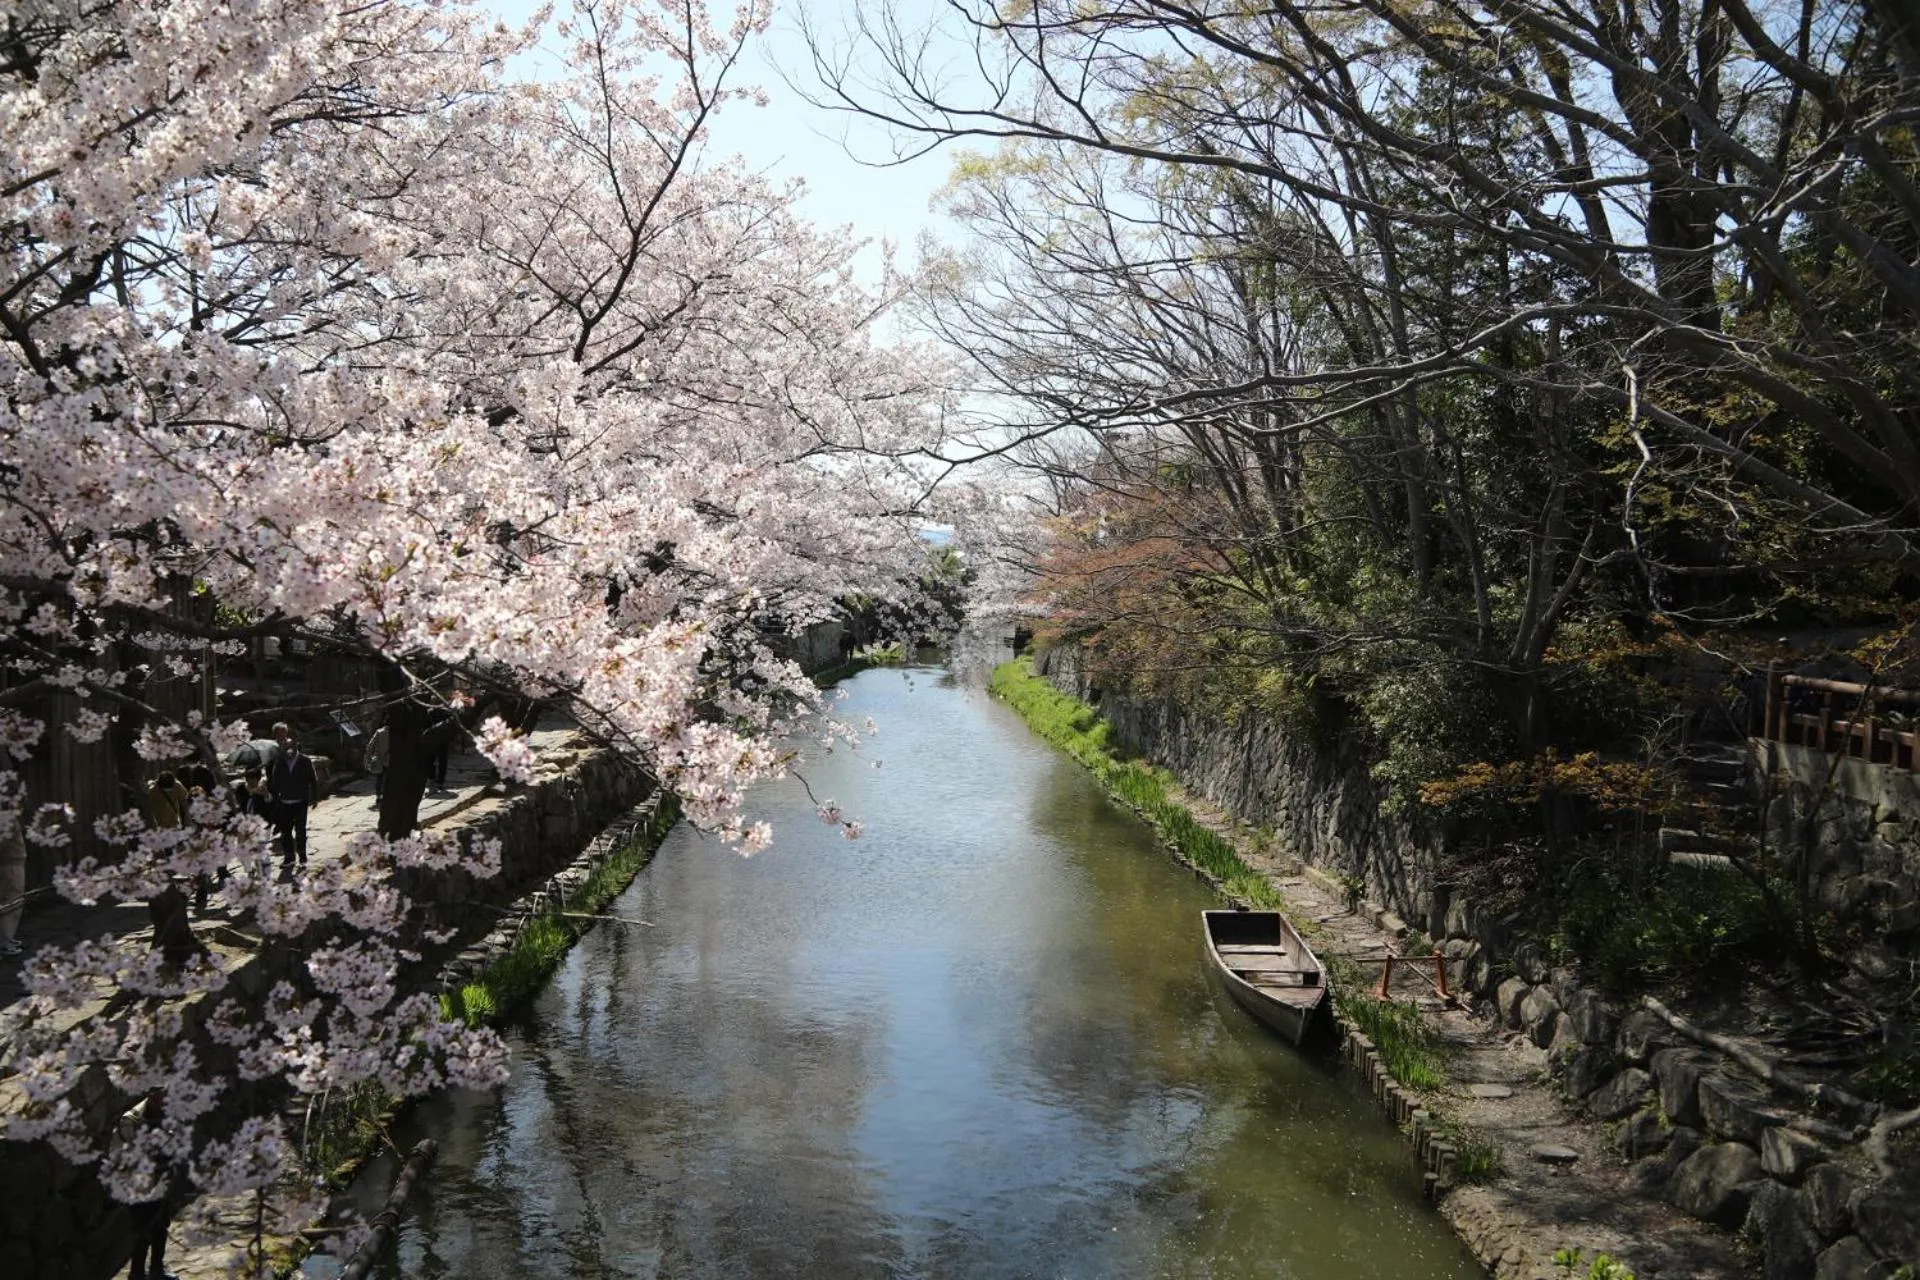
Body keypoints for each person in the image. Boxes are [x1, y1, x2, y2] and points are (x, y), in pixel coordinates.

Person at [267, 735, 319, 873]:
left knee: (300, 830)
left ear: (297, 746)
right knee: (286, 832)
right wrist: (275, 797)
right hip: (284, 802)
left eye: (292, 746)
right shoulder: (280, 761)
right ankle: (289, 857)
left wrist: (315, 797)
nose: (290, 749)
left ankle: (302, 857)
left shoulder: (305, 761)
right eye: (287, 746)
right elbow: (275, 780)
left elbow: (312, 779)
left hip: (301, 801)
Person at [365, 721, 390, 801]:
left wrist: (368, 758)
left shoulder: (379, 732)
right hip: (391, 760)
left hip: (380, 759)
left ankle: (379, 795)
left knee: (380, 778)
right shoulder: (397, 733)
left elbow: (370, 746)